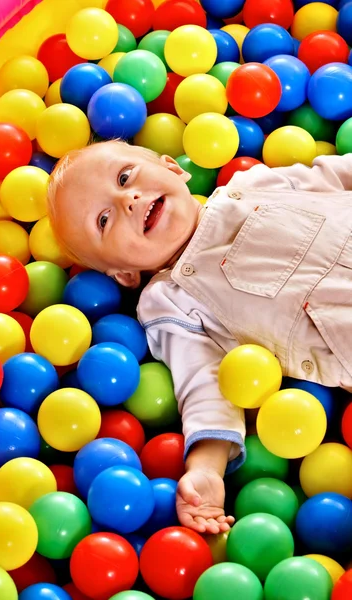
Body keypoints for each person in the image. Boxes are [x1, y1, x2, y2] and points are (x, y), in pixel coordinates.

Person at [48, 139, 352, 535]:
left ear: (174, 169)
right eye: (103, 220)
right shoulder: (171, 299)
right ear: (123, 273)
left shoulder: (253, 183)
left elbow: (332, 175)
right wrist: (207, 468)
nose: (129, 199)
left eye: (125, 177)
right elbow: (207, 383)